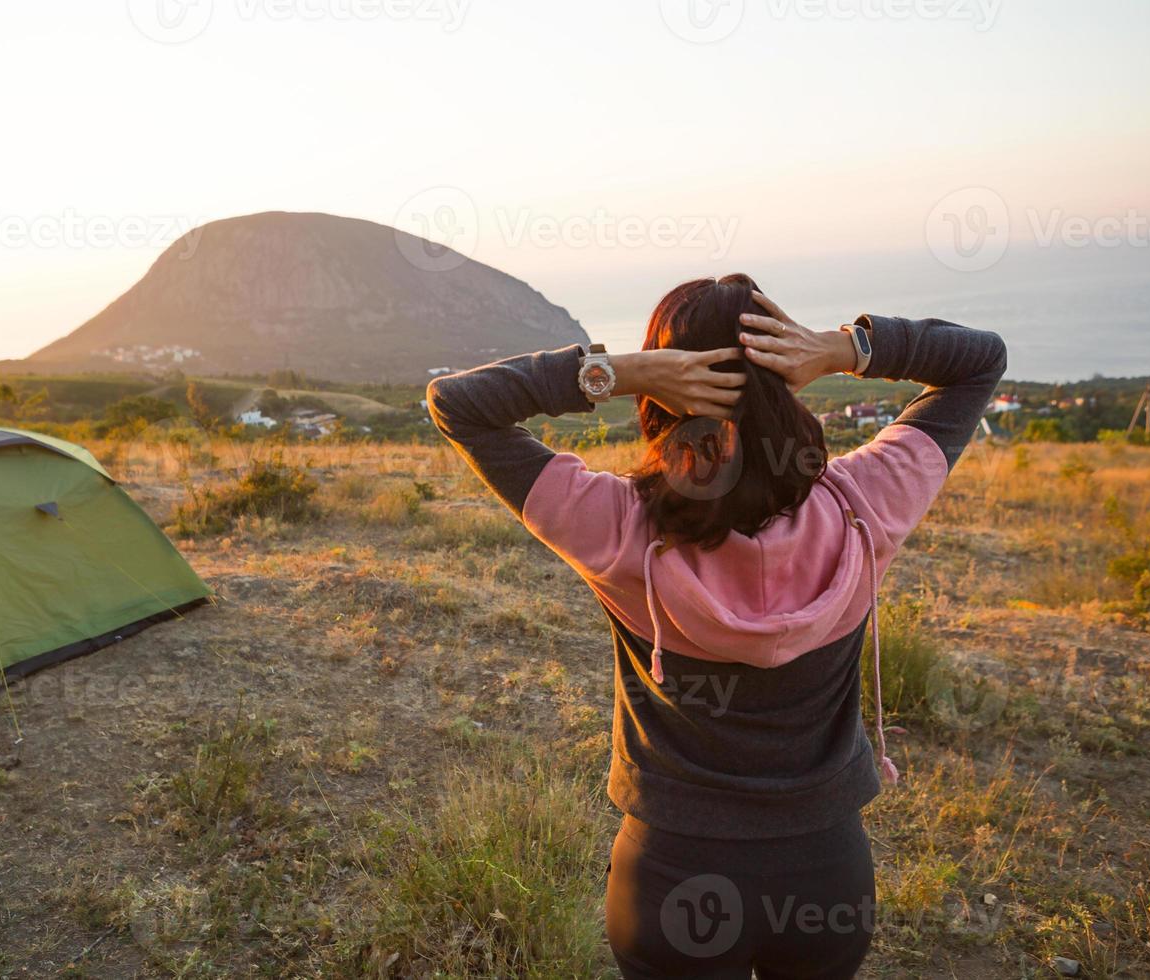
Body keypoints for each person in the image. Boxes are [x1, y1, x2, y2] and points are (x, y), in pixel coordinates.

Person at [427, 273, 1006, 979]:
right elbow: (978, 359)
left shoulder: (617, 528)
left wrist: (621, 372)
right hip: (827, 872)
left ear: (663, 395)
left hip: (673, 874)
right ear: (785, 373)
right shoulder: (867, 506)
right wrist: (846, 348)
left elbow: (458, 404)